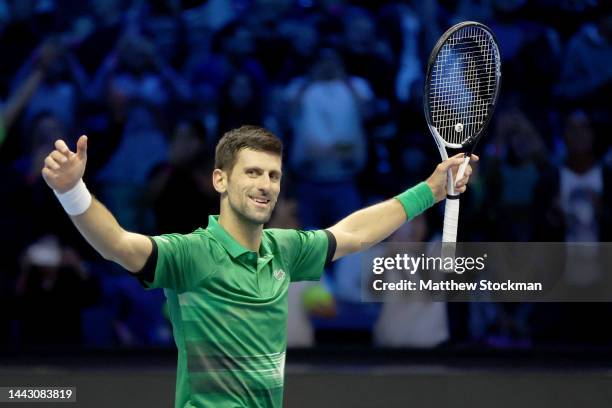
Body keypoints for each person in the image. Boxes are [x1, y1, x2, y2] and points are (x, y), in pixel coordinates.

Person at [41, 125, 475, 407]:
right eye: (252, 172)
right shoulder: (191, 254)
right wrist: (72, 191)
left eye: (273, 175)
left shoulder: (284, 250)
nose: (265, 185)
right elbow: (117, 244)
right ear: (220, 180)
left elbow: (355, 233)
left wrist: (430, 190)